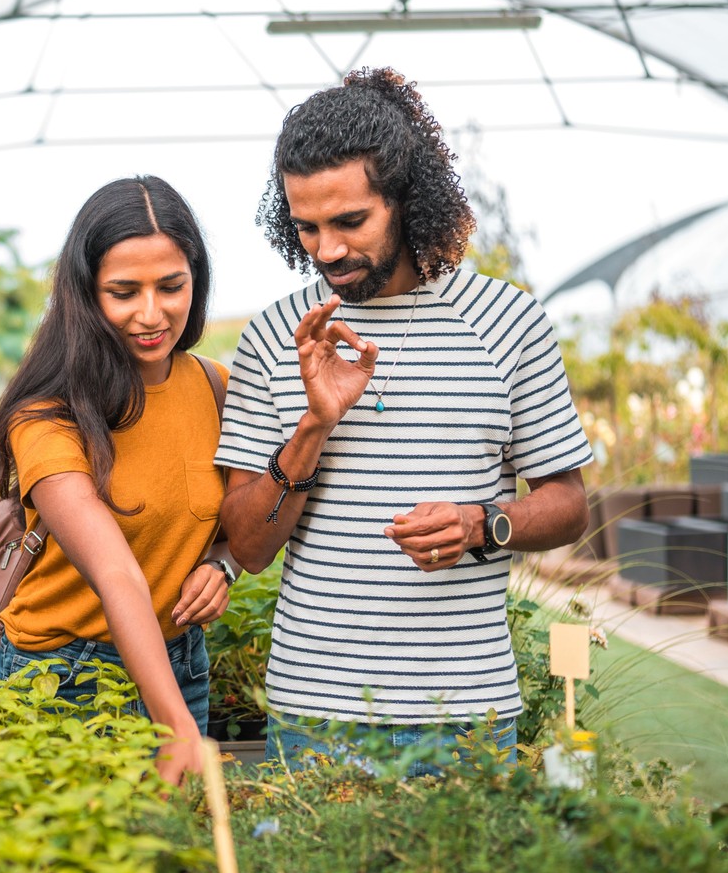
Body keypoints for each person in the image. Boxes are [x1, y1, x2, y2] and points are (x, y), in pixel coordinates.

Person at [215, 68, 592, 775]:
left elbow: (570, 507)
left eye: (349, 222)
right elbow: (249, 544)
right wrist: (314, 426)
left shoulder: (509, 324)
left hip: (467, 711)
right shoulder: (273, 338)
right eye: (307, 227)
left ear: (407, 199)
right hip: (313, 709)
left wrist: (482, 525)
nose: (326, 249)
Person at [0, 176, 235, 784]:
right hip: (61, 677)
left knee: (171, 867)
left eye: (171, 286)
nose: (152, 314)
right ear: (85, 296)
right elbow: (115, 570)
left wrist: (222, 562)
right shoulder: (47, 413)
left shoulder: (213, 388)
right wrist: (174, 724)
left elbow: (230, 517)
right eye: (124, 292)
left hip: (181, 666)